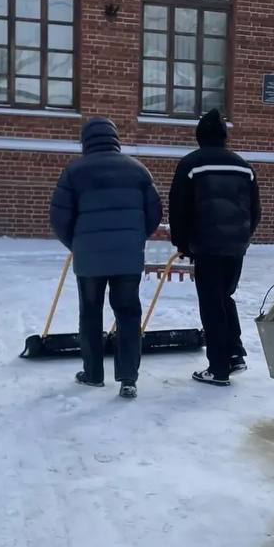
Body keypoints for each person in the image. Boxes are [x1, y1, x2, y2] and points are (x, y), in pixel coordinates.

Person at [49, 118, 162, 400]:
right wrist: (135, 239)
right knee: (128, 313)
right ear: (115, 139)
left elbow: (59, 217)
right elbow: (154, 213)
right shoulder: (138, 170)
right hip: (128, 258)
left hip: (89, 259)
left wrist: (77, 245)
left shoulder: (74, 172)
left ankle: (93, 374)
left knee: (90, 313)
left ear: (86, 141)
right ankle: (128, 379)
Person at [169, 108, 261, 387]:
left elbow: (179, 208)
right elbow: (255, 209)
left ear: (199, 136)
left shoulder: (191, 164)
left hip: (206, 245)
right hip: (235, 246)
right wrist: (243, 236)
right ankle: (234, 354)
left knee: (211, 303)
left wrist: (182, 243)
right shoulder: (243, 166)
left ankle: (218, 368)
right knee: (225, 297)